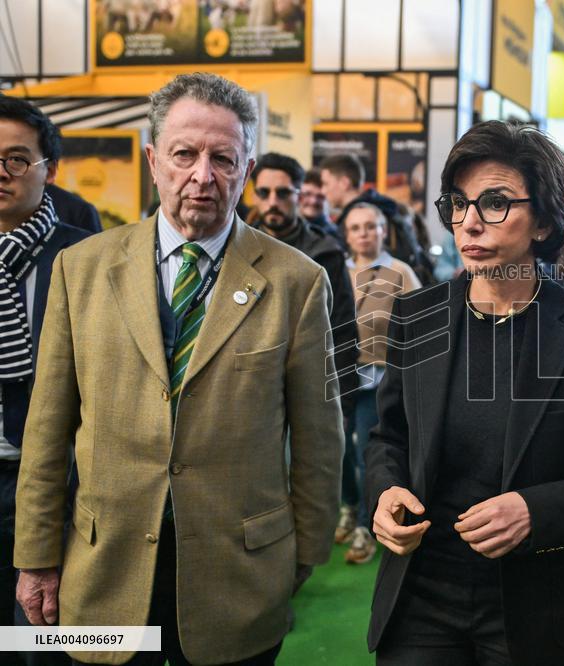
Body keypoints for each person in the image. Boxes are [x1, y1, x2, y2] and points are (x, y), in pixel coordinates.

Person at [13, 72, 343, 665]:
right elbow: (47, 427)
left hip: (239, 575)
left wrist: (303, 553)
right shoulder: (81, 269)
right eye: (184, 154)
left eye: (223, 158)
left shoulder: (298, 282)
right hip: (103, 567)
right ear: (153, 160)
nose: (202, 175)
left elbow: (320, 435)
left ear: (244, 167)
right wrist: (36, 554)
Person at [365, 120, 564, 666]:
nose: (469, 222)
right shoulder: (417, 317)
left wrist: (533, 510)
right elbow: (387, 438)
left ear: (541, 219)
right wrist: (384, 493)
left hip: (533, 600)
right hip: (423, 591)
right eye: (459, 203)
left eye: (495, 203)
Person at [0, 96, 91, 666]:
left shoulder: (86, 258)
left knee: (47, 642)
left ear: (49, 171)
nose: (0, 174)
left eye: (15, 159)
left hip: (59, 486)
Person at [249, 151, 360, 425]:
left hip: (310, 391)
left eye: (283, 193)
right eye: (264, 193)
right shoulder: (234, 250)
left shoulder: (325, 253)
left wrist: (342, 404)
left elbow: (343, 329)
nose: (273, 202)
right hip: (248, 391)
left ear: (299, 195)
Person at [341, 202, 421, 566]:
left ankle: (363, 526)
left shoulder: (400, 271)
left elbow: (422, 321)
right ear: (347, 234)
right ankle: (349, 506)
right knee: (339, 452)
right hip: (339, 379)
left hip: (381, 378)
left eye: (370, 226)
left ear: (382, 230)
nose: (363, 233)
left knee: (363, 453)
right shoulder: (336, 272)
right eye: (356, 227)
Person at [320, 153, 436, 285]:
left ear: (345, 183)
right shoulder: (390, 209)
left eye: (326, 184)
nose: (323, 191)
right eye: (355, 228)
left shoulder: (371, 215)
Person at [300, 167, 344, 243]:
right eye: (307, 194)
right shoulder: (284, 230)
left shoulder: (335, 236)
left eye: (320, 196)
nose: (313, 201)